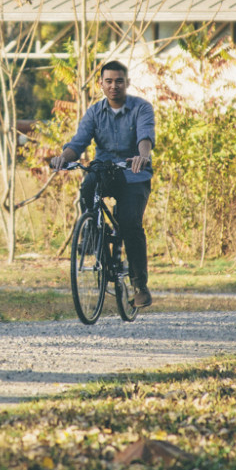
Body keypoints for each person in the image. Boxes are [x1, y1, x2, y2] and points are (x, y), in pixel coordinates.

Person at [50, 60, 156, 307]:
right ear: (101, 84)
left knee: (130, 224)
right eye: (108, 81)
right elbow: (78, 143)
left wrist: (143, 156)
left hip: (133, 174)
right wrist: (62, 159)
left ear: (127, 83)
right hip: (104, 170)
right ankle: (95, 233)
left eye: (119, 81)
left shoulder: (142, 108)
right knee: (87, 187)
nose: (114, 86)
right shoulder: (95, 112)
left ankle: (139, 285)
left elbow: (145, 136)